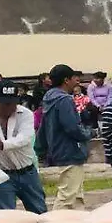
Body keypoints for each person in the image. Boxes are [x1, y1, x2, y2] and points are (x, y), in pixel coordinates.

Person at [36, 64, 91, 210]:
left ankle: (78, 221)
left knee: (76, 195)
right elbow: (72, 127)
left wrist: (41, 148)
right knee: (68, 196)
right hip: (70, 150)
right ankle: (55, 222)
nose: (77, 81)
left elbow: (43, 127)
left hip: (59, 149)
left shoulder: (49, 99)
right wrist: (87, 133)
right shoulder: (64, 100)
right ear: (66, 80)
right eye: (74, 78)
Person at [0, 81, 47, 213]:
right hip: (1, 174)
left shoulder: (25, 114)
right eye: (5, 104)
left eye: (13, 103)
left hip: (27, 172)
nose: (10, 107)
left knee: (39, 212)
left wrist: (2, 145)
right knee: (5, 215)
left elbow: (24, 138)